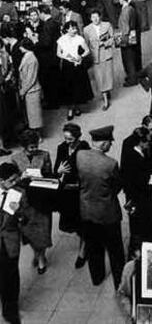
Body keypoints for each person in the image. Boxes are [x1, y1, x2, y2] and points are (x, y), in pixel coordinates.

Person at [76, 125, 125, 290]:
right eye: (110, 142)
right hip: (108, 213)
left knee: (93, 247)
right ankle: (119, 281)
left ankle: (96, 277)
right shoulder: (110, 164)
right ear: (104, 143)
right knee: (115, 250)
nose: (111, 145)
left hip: (87, 210)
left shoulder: (80, 156)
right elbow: (117, 186)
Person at [11, 130, 53, 274]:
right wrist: (20, 177)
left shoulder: (45, 155)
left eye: (35, 146)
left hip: (40, 197)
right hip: (25, 199)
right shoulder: (15, 159)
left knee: (42, 230)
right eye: (31, 147)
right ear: (24, 147)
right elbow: (12, 180)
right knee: (28, 230)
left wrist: (42, 176)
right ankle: (37, 252)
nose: (34, 149)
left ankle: (41, 257)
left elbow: (49, 174)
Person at [120, 126, 152, 257]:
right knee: (142, 231)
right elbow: (141, 185)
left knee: (140, 231)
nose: (150, 143)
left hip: (140, 199)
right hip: (141, 202)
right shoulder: (134, 158)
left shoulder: (135, 152)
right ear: (141, 142)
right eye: (148, 141)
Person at [54, 123, 90, 268]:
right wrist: (59, 170)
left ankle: (83, 251)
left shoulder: (84, 148)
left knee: (82, 222)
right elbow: (57, 168)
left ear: (77, 137)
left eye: (70, 139)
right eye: (65, 138)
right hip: (67, 190)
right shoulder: (62, 148)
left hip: (80, 189)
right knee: (74, 221)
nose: (67, 141)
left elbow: (88, 169)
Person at [0, 162, 28, 324]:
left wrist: (18, 213)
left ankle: (10, 311)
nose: (15, 183)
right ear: (1, 181)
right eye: (11, 180)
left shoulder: (19, 194)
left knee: (11, 276)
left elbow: (25, 219)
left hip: (9, 241)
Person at [57, 20, 93, 120]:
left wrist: (80, 57)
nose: (74, 30)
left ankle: (77, 107)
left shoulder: (79, 39)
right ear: (67, 29)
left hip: (77, 64)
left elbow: (87, 51)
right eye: (72, 28)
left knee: (77, 86)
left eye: (75, 28)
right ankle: (70, 109)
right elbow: (58, 53)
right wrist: (66, 57)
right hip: (67, 65)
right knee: (68, 87)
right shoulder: (61, 39)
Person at [83, 8, 114, 111]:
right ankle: (105, 99)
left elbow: (112, 38)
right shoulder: (86, 30)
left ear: (100, 16)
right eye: (93, 17)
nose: (95, 19)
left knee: (107, 75)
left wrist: (104, 43)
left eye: (97, 16)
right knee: (99, 78)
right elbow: (86, 44)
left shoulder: (107, 25)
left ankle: (106, 91)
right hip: (95, 57)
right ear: (90, 18)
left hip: (106, 54)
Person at [37, 3, 61, 109]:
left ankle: (52, 103)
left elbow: (46, 43)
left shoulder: (47, 25)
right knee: (55, 80)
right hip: (55, 56)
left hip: (48, 58)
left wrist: (36, 41)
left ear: (42, 13)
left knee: (49, 82)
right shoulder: (54, 22)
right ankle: (56, 101)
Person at [18, 38, 43, 134]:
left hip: (32, 90)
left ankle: (38, 135)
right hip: (29, 90)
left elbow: (31, 79)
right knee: (31, 114)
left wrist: (23, 90)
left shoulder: (32, 59)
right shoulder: (27, 56)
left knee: (35, 116)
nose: (19, 48)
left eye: (21, 47)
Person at [118, 0, 140, 87]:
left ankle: (132, 79)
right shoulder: (131, 8)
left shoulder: (125, 11)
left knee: (128, 59)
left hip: (126, 37)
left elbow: (125, 28)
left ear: (121, 0)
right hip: (133, 35)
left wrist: (121, 38)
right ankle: (134, 75)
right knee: (132, 56)